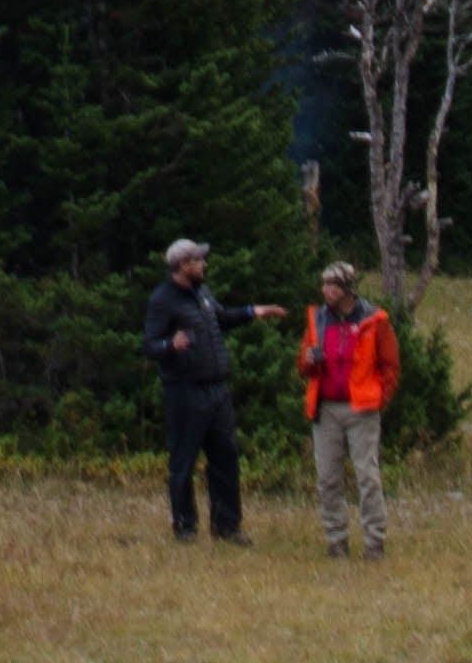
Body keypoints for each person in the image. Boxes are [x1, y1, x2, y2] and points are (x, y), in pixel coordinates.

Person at [140, 238, 284, 544]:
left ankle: (227, 526)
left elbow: (221, 319)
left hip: (217, 390)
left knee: (226, 457)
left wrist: (253, 311)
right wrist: (170, 345)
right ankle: (185, 526)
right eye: (198, 260)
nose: (204, 264)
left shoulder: (202, 293)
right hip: (184, 391)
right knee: (184, 460)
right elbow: (149, 344)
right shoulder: (163, 300)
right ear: (182, 265)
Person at [296, 263, 402, 559]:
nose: (326, 290)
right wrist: (309, 360)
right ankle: (336, 539)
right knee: (327, 477)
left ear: (346, 289)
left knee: (367, 475)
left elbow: (390, 365)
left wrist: (380, 398)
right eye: (324, 285)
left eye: (332, 285)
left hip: (362, 410)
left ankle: (374, 540)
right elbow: (302, 366)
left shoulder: (375, 320)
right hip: (325, 408)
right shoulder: (317, 319)